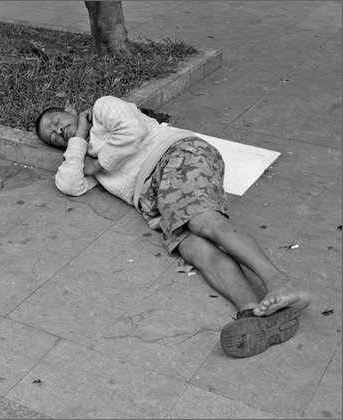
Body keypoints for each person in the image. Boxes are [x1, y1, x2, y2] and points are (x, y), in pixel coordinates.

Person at [35, 95, 311, 358]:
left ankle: (280, 283)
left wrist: (98, 163)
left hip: (177, 155)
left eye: (55, 120)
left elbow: (131, 131)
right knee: (192, 248)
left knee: (202, 220)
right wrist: (78, 142)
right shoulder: (83, 153)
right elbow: (70, 184)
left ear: (69, 109)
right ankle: (252, 314)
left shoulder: (103, 108)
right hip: (152, 200)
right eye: (52, 137)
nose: (57, 130)